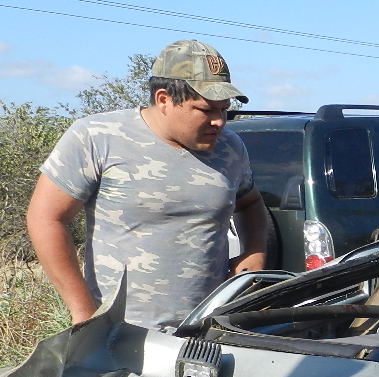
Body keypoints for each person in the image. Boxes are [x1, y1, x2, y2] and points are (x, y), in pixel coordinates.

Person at [26, 39, 266, 332]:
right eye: (205, 110)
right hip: (120, 333)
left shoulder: (230, 148)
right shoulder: (97, 137)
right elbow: (45, 218)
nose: (219, 122)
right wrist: (84, 314)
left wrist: (254, 254)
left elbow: (250, 203)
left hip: (210, 327)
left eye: (224, 110)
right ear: (164, 99)